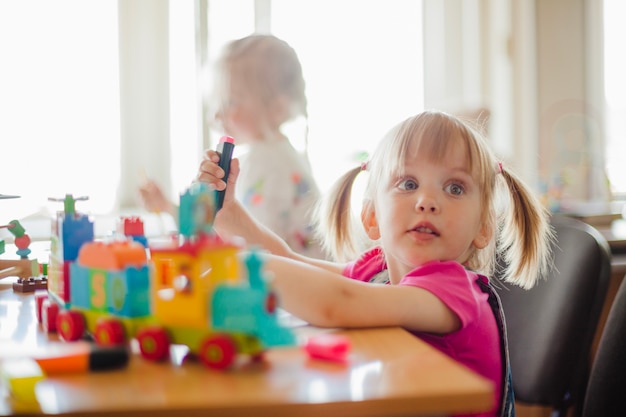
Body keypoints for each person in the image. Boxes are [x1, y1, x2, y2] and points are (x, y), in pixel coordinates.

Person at [197, 110, 555, 417]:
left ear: (483, 227)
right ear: (372, 218)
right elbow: (289, 260)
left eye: (455, 188)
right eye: (409, 183)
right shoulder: (380, 270)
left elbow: (337, 303)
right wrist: (229, 216)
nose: (428, 201)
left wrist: (244, 265)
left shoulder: (454, 291)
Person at [140, 33, 324, 258]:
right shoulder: (279, 155)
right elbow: (229, 225)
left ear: (277, 109)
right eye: (217, 102)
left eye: (230, 102)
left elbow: (244, 243)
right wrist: (170, 208)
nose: (217, 114)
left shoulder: (265, 163)